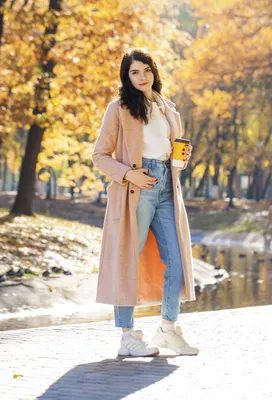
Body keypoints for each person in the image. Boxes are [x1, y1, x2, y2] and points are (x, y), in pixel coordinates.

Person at [92, 48, 198, 357]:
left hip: (166, 186)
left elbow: (170, 150)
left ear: (154, 72)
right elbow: (100, 156)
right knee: (128, 261)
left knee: (176, 262)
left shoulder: (166, 107)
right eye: (135, 72)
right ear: (126, 77)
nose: (142, 77)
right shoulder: (119, 108)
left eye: (146, 70)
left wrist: (180, 159)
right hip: (135, 190)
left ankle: (167, 329)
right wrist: (129, 175)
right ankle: (128, 337)